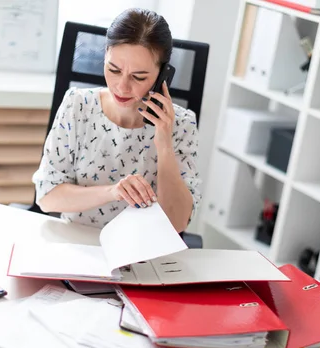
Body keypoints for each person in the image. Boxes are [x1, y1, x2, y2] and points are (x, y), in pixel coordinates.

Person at [32, 8, 201, 233]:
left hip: (144, 252)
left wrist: (164, 145)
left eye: (138, 77)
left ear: (163, 75)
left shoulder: (182, 125)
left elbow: (177, 223)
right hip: (78, 245)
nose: (122, 87)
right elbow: (48, 198)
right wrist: (113, 191)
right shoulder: (77, 105)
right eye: (114, 69)